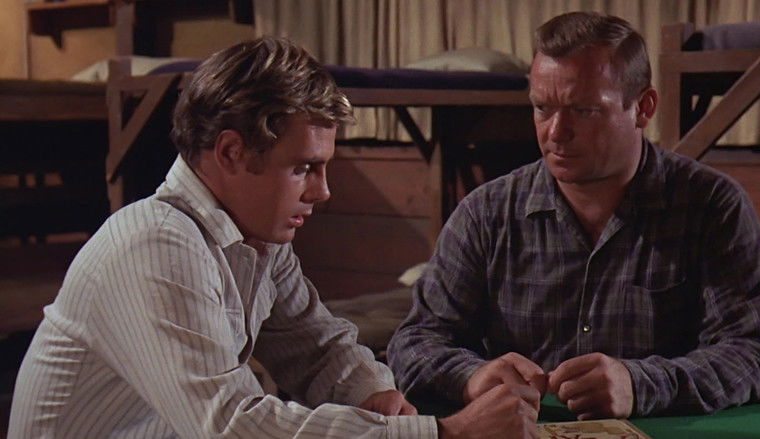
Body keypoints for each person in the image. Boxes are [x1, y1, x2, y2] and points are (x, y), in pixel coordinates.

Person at [9, 37, 540, 439]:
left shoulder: (256, 239)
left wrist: (372, 393)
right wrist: (442, 433)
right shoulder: (156, 244)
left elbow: (316, 347)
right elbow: (231, 426)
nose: (323, 191)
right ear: (231, 152)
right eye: (304, 168)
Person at [388, 11, 760, 420]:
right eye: (542, 108)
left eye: (583, 110)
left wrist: (640, 385)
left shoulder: (711, 205)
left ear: (643, 108)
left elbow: (759, 355)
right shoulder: (486, 214)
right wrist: (472, 376)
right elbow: (415, 343)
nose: (555, 132)